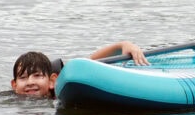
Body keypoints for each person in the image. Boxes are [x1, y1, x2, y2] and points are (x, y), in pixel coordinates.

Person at [11, 41, 149, 98]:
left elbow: (89, 62)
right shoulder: (10, 100)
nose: (30, 82)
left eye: (37, 75)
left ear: (52, 81)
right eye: (22, 78)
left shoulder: (60, 94)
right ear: (14, 85)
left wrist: (124, 45)